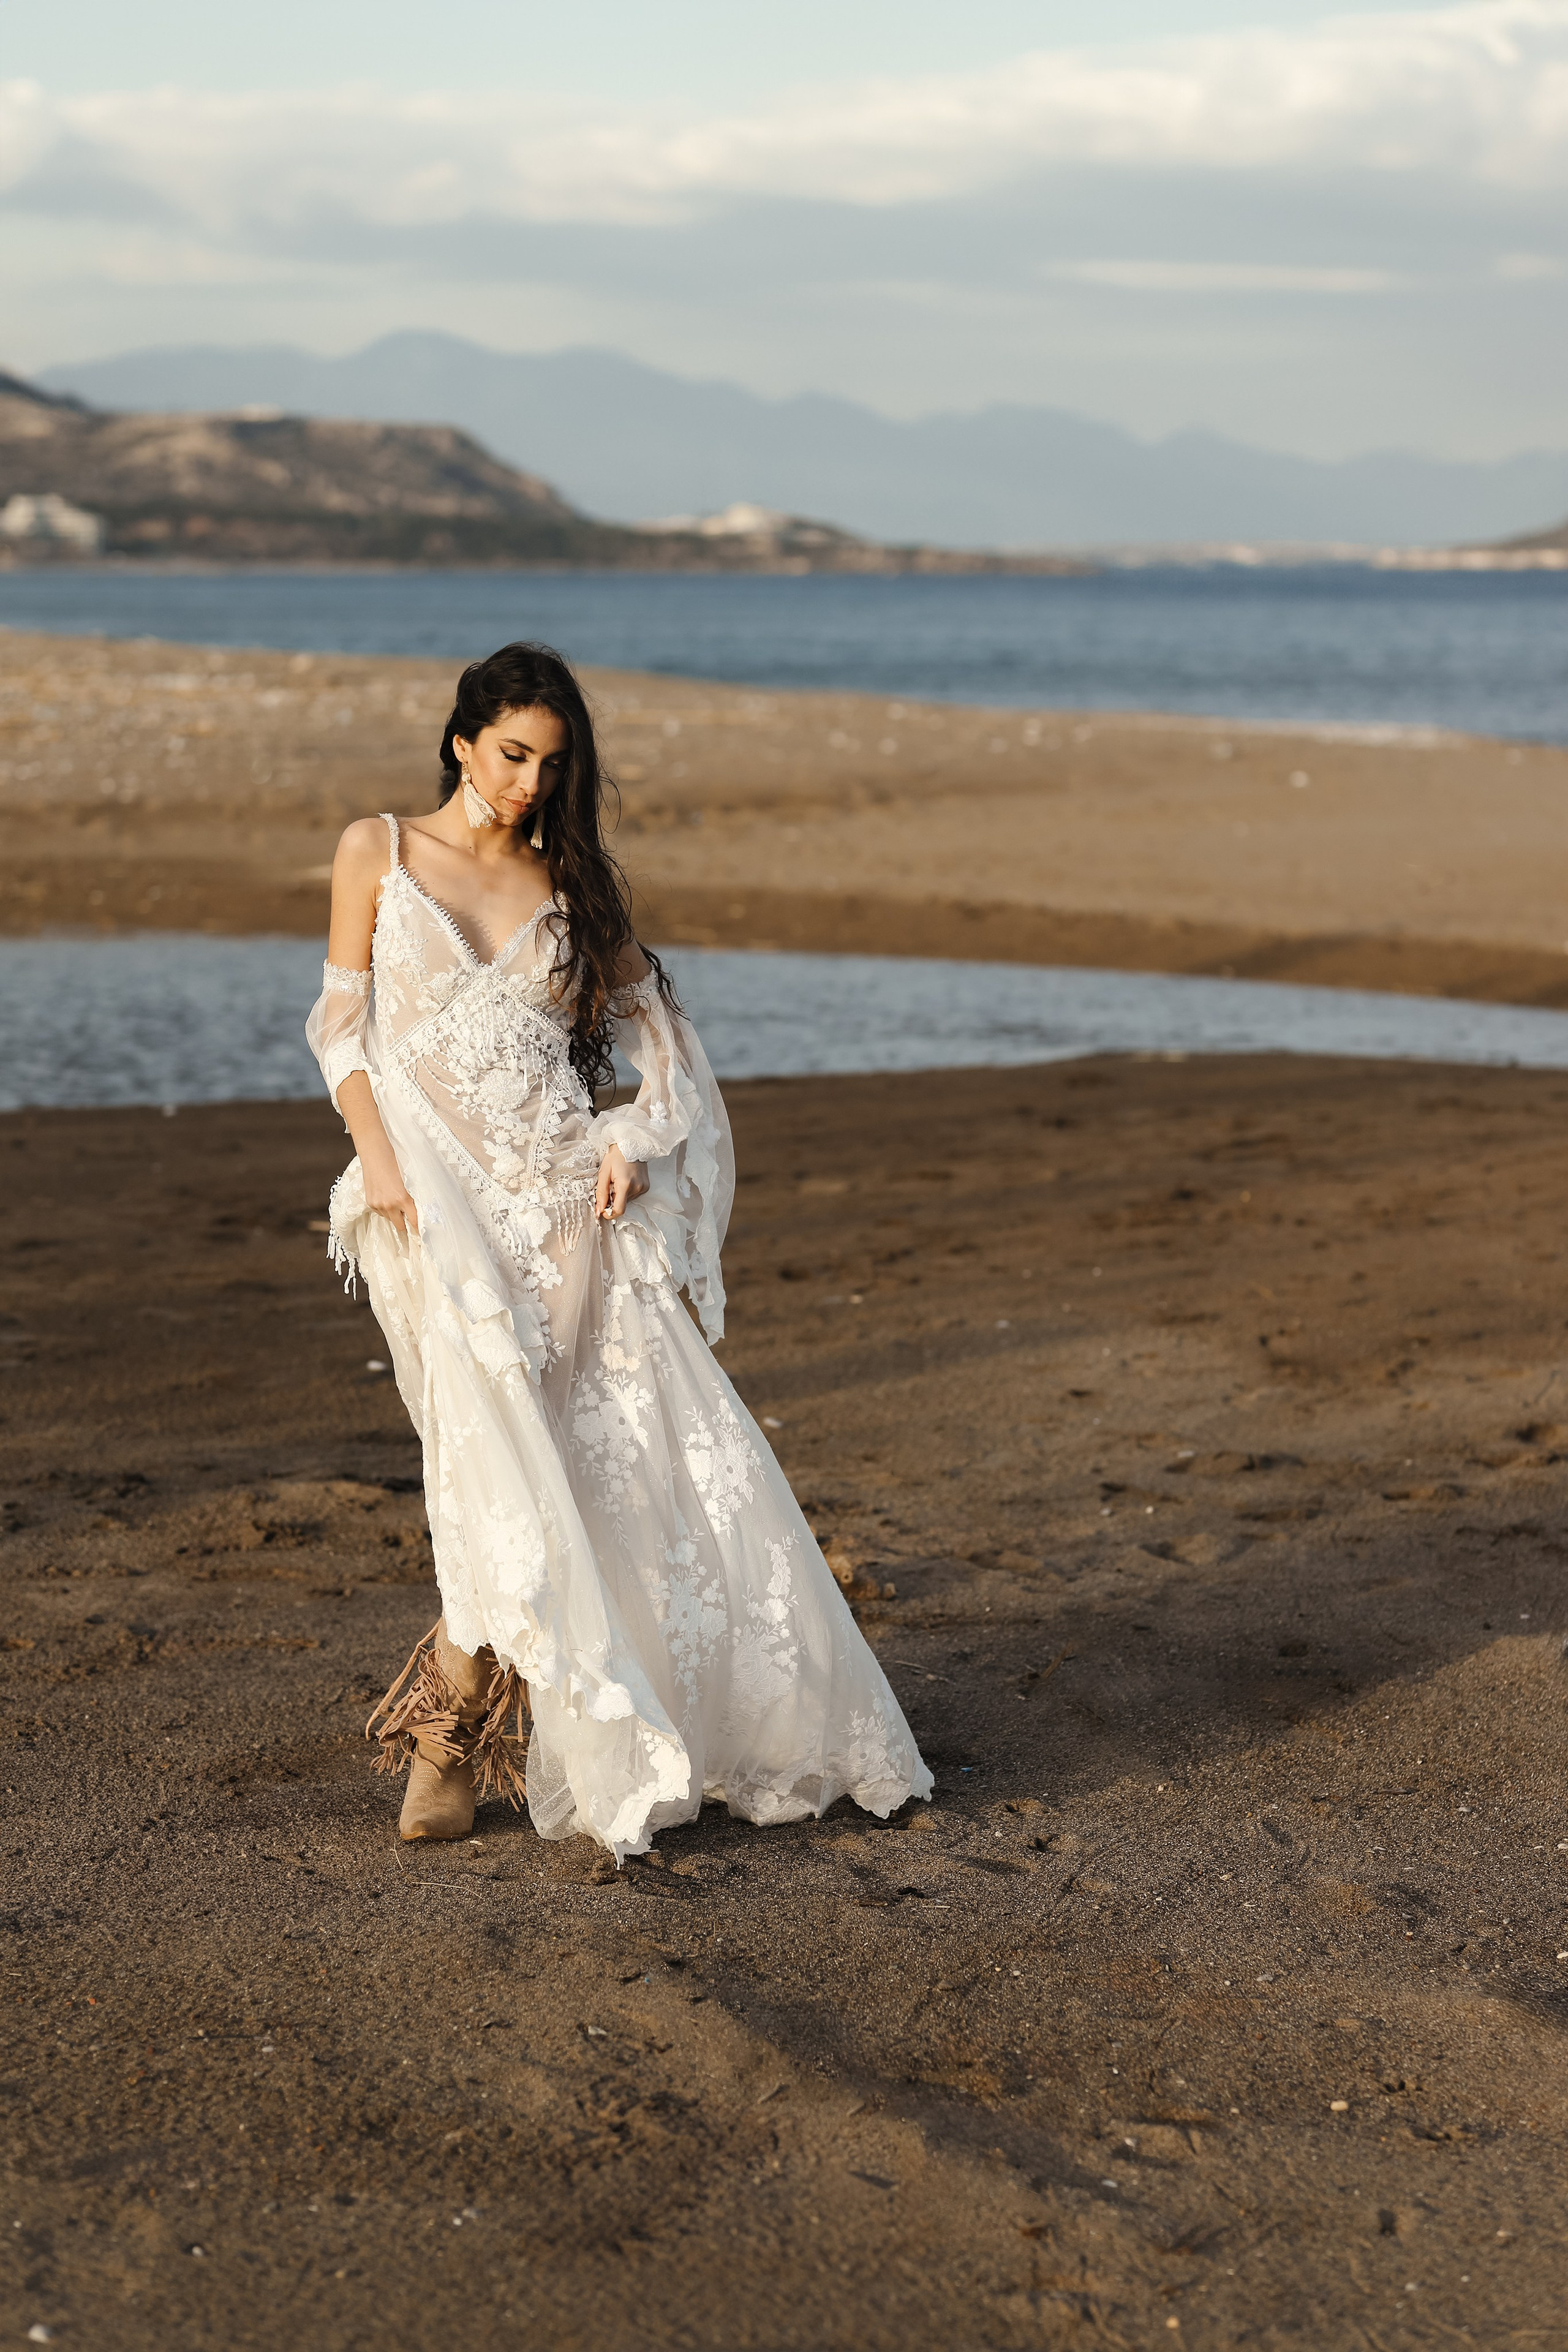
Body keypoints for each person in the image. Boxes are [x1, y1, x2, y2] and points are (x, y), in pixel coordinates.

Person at [306, 641, 932, 1858]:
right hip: (434, 1205)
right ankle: (448, 1744)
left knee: (589, 1471)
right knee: (492, 1457)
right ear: (460, 740)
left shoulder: (567, 883)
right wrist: (376, 1158)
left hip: (563, 1210)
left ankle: (463, 1726)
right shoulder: (375, 850)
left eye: (550, 763)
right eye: (509, 755)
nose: (527, 783)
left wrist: (634, 1136)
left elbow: (667, 1043)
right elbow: (340, 1023)